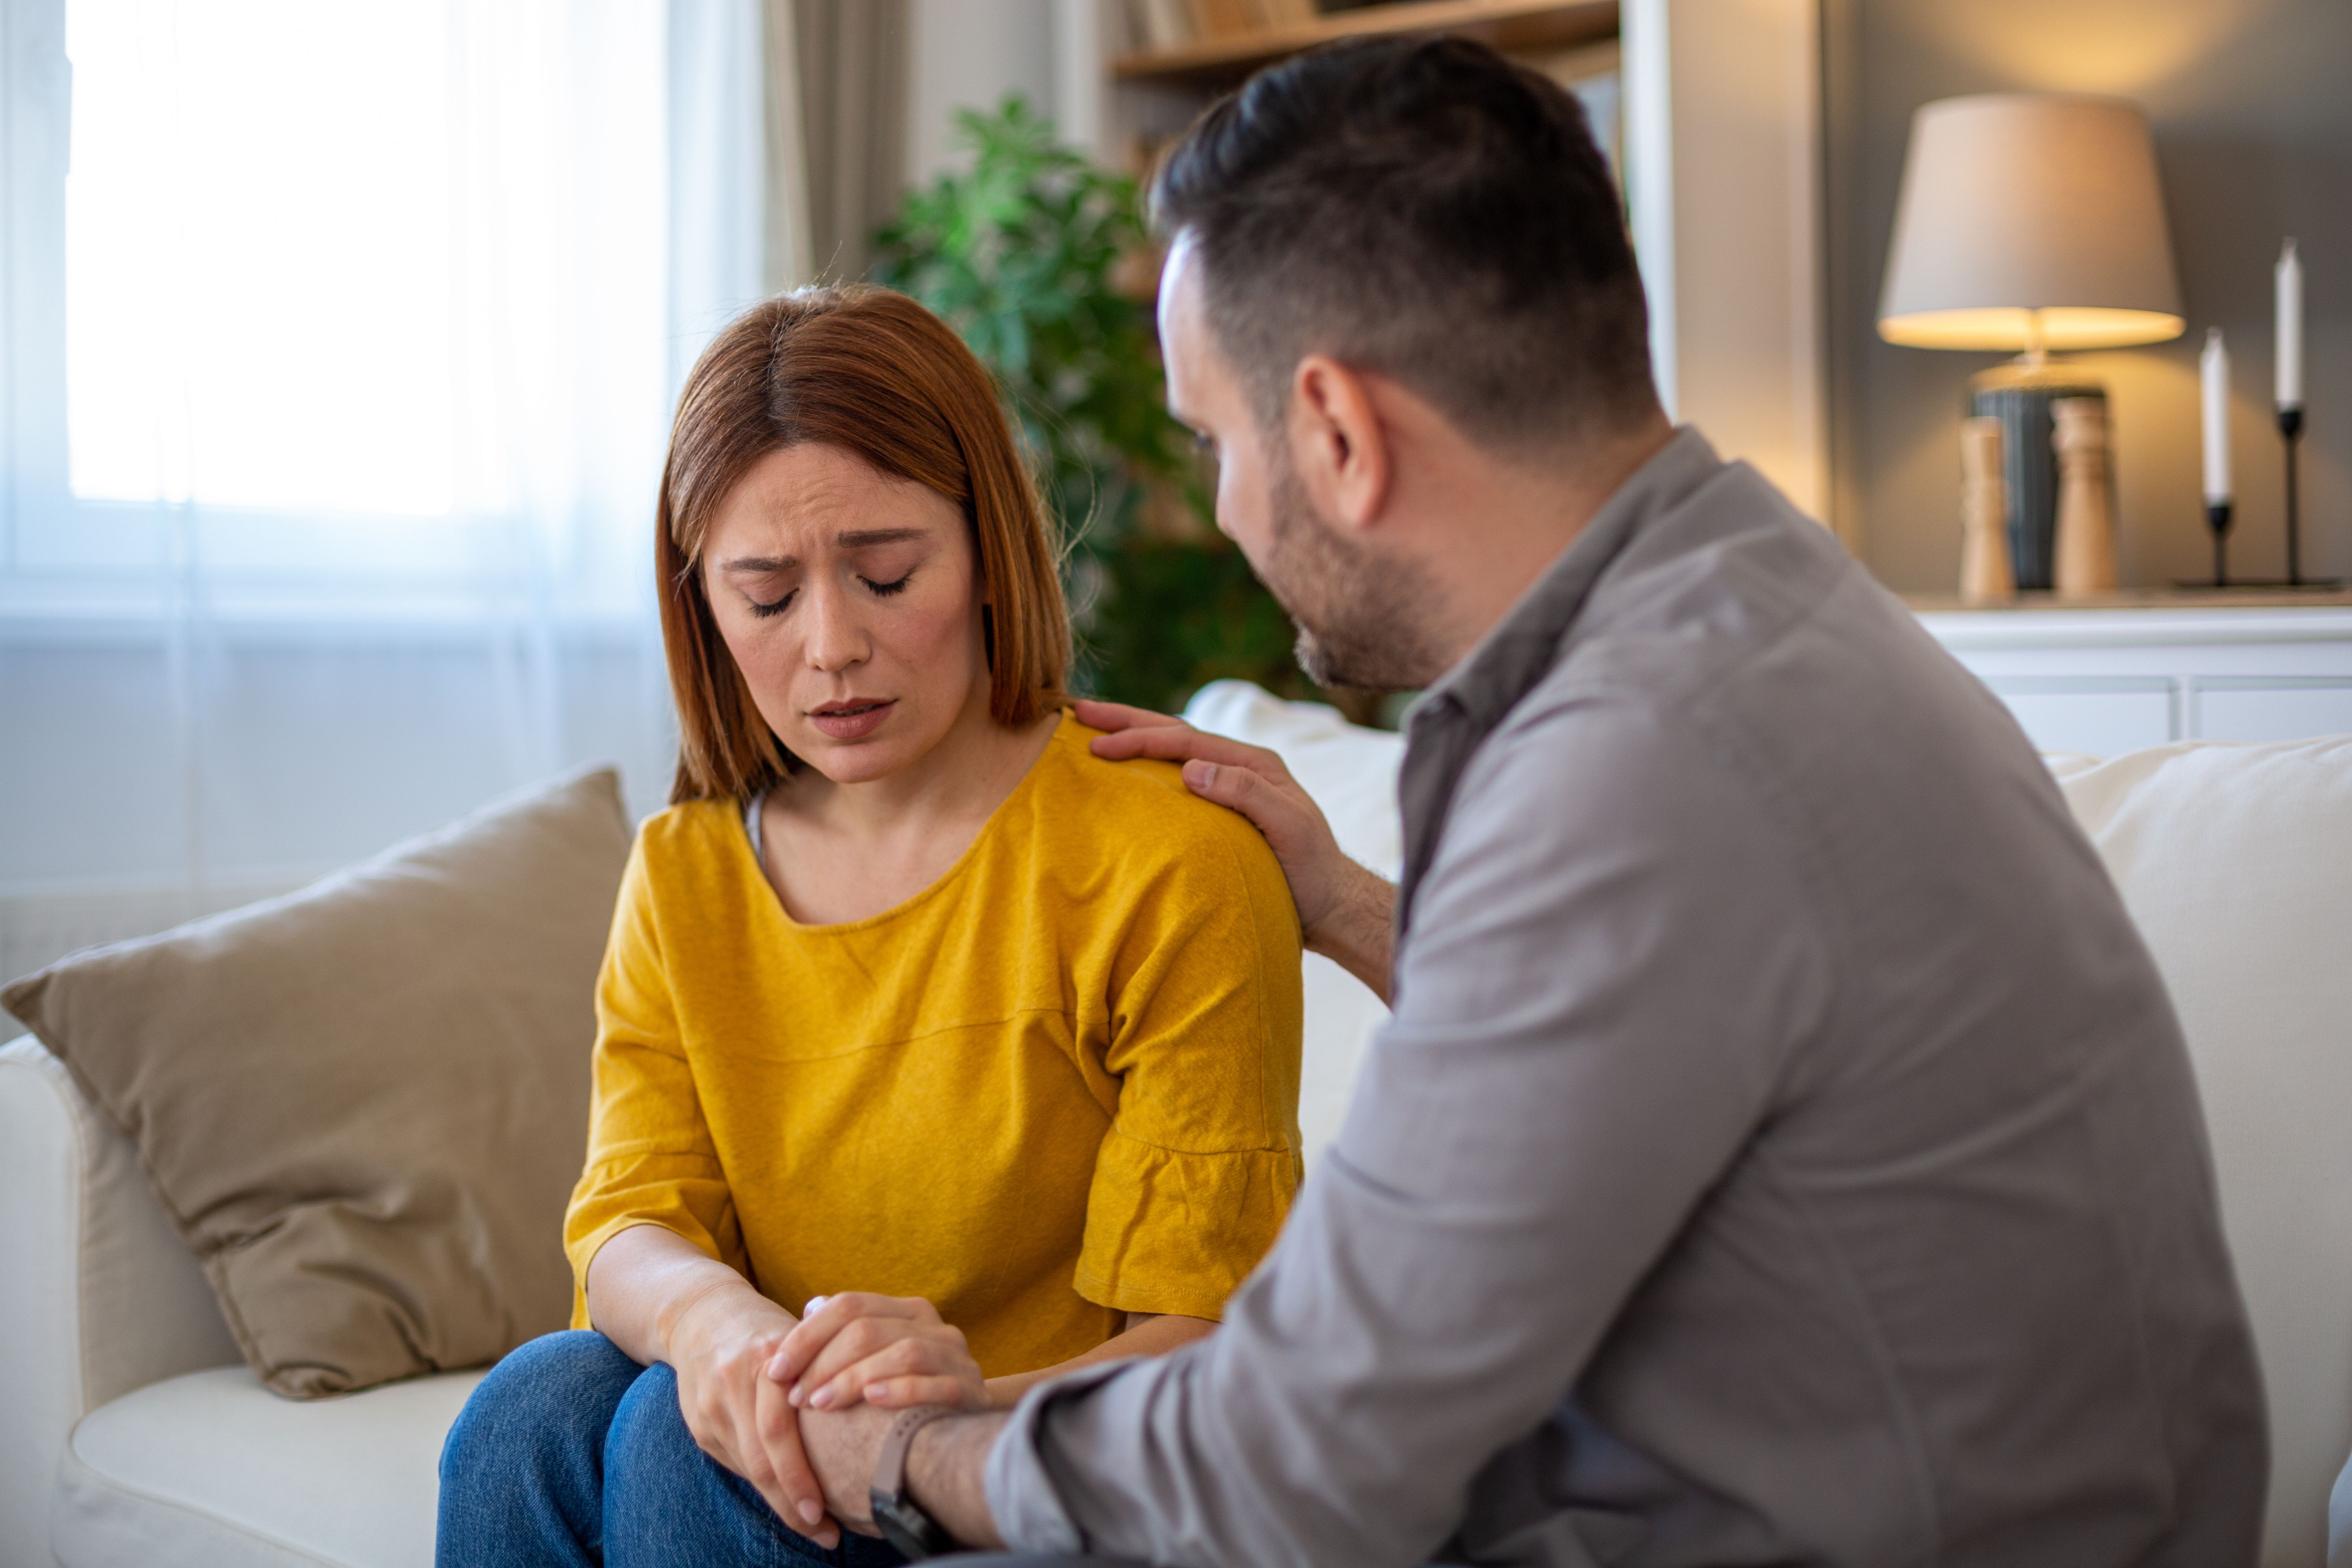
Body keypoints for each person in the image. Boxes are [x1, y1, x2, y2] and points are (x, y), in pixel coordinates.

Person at [777, 33, 2270, 1568]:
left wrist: (911, 1448)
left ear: (1341, 436)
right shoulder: (1761, 609)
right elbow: (1652, 1061)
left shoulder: (1637, 762)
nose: (1223, 507)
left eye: (1217, 443)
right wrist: (1348, 902)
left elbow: (1284, 1476)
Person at [434, 287, 1306, 1568]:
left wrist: (905, 1418)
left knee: (684, 1445)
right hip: (783, 1455)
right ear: (702, 608)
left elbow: (1209, 1348)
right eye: (767, 596)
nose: (833, 648)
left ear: (988, 548)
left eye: (889, 575)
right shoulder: (684, 875)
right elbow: (628, 1222)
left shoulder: (1166, 857)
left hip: (1025, 1474)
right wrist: (721, 1333)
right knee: (537, 1406)